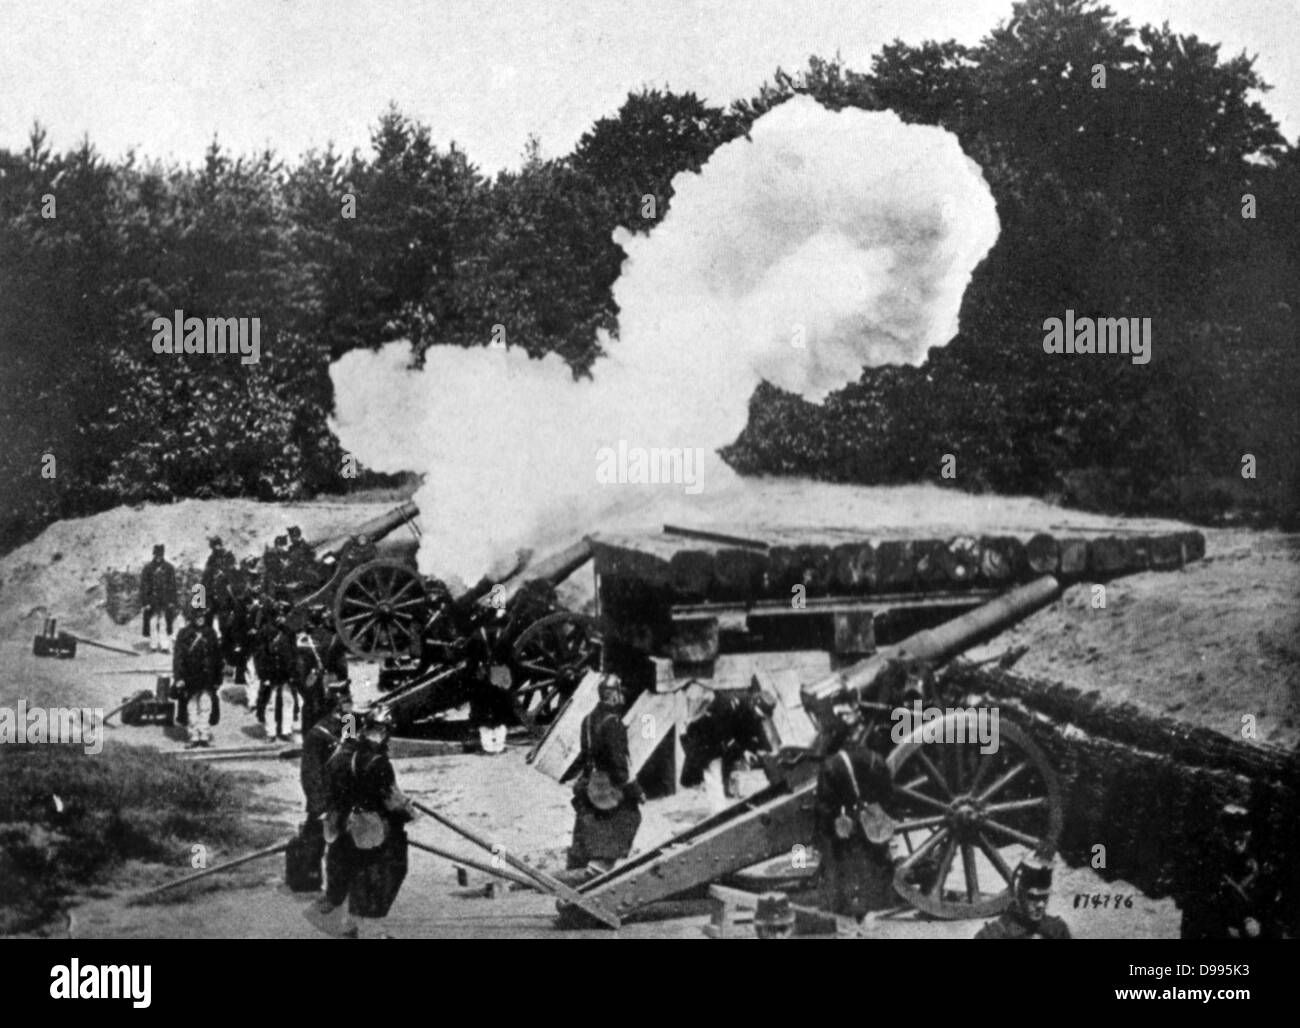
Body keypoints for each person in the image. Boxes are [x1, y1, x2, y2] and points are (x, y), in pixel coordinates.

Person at [307, 708, 414, 939]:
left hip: (343, 823)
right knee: (380, 876)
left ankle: (350, 926)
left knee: (349, 874)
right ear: (385, 732)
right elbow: (391, 801)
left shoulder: (342, 753)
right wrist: (408, 811)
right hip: (370, 828)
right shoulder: (378, 762)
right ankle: (371, 934)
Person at [813, 708, 897, 918]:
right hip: (872, 819)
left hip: (847, 821)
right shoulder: (875, 759)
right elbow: (888, 794)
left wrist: (828, 829)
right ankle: (882, 899)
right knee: (877, 855)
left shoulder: (830, 766)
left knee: (846, 861)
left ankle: (849, 905)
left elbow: (825, 807)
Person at [566, 673, 644, 874]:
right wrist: (635, 790)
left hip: (592, 781)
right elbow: (619, 764)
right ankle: (602, 864)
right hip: (609, 783)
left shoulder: (588, 719)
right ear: (613, 696)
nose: (622, 696)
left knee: (589, 820)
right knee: (630, 815)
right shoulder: (614, 724)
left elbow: (585, 754)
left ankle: (581, 861)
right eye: (620, 692)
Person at [1179, 802, 1284, 939]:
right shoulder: (1211, 866)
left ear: (1250, 833)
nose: (1235, 840)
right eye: (1230, 830)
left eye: (1242, 832)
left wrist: (1258, 923)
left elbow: (1274, 916)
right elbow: (1193, 915)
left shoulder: (1263, 871)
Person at [295, 680, 355, 892]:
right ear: (336, 705)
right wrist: (318, 804)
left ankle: (341, 884)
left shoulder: (349, 722)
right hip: (326, 797)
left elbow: (352, 755)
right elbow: (310, 773)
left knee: (345, 842)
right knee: (316, 839)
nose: (350, 706)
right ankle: (309, 878)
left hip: (345, 795)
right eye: (346, 702)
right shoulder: (318, 733)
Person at [974, 855, 1072, 939]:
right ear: (1020, 895)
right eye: (1033, 897)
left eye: (1044, 897)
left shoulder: (1057, 930)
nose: (1041, 905)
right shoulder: (992, 935)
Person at [173, 611, 223, 748]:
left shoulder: (210, 633)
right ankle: (193, 736)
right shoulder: (184, 634)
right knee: (192, 708)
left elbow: (217, 657)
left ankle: (204, 736)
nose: (200, 619)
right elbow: (178, 658)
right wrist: (178, 678)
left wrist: (218, 678)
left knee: (206, 707)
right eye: (197, 616)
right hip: (190, 676)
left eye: (202, 616)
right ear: (192, 618)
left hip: (207, 677)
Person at [255, 600, 303, 741]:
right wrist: (263, 675)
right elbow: (259, 656)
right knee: (270, 703)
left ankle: (286, 730)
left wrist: (293, 672)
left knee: (288, 701)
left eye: (283, 615)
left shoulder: (289, 632)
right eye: (278, 615)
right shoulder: (265, 632)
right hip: (271, 672)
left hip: (285, 672)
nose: (281, 618)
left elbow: (294, 653)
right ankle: (271, 732)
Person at [139, 543, 178, 653]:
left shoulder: (169, 568)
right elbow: (143, 586)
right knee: (152, 623)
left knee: (164, 624)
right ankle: (153, 645)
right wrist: (145, 602)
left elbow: (173, 586)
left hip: (165, 601)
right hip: (152, 601)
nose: (158, 557)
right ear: (154, 554)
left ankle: (164, 646)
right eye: (156, 554)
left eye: (160, 554)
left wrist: (172, 601)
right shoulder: (148, 568)